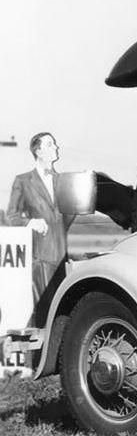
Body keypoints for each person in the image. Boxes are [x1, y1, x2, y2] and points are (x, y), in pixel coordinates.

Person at [6, 132, 75, 327]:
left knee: (63, 316)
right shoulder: (23, 181)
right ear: (38, 151)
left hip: (62, 259)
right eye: (51, 144)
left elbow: (68, 215)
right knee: (43, 318)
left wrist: (57, 233)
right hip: (40, 261)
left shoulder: (63, 181)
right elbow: (12, 216)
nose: (56, 147)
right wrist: (30, 223)